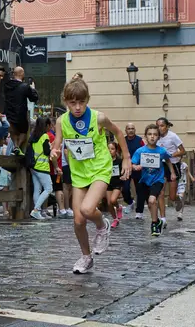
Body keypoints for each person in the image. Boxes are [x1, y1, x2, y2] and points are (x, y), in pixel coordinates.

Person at [49, 78, 132, 274]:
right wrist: (55, 155)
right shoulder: (62, 121)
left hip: (100, 169)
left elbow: (118, 133)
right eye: (72, 103)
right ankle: (86, 257)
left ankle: (102, 225)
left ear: (87, 100)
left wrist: (126, 158)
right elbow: (57, 145)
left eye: (81, 102)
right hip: (79, 173)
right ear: (65, 101)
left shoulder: (98, 118)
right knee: (78, 221)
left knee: (87, 209)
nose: (77, 107)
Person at [131, 124, 175, 237]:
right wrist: (136, 167)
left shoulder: (161, 151)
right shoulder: (140, 151)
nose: (152, 137)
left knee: (152, 200)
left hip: (158, 180)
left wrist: (172, 172)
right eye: (150, 134)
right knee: (151, 204)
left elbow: (168, 160)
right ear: (145, 136)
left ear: (158, 137)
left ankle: (154, 224)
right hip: (144, 181)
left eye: (155, 134)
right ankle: (158, 220)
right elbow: (133, 164)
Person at [156, 117, 186, 229]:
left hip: (173, 165)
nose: (160, 128)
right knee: (161, 193)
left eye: (162, 126)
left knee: (172, 197)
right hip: (161, 166)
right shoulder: (156, 137)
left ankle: (178, 200)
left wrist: (171, 155)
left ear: (167, 126)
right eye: (158, 126)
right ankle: (163, 218)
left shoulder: (173, 136)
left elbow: (183, 151)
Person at [4, 66, 39, 152]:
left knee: (13, 131)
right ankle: (18, 146)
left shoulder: (7, 85)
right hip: (21, 114)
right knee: (23, 131)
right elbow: (33, 98)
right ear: (21, 74)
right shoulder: (25, 86)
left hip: (9, 113)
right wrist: (32, 89)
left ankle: (15, 144)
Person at [123, 122, 144, 214]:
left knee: (140, 190)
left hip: (138, 168)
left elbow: (145, 153)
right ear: (126, 130)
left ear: (135, 130)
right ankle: (130, 202)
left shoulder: (140, 140)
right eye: (129, 129)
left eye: (132, 129)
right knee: (125, 188)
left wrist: (141, 165)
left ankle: (139, 212)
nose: (131, 130)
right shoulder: (123, 141)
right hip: (127, 168)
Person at [106, 142, 127, 228]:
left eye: (112, 149)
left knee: (113, 200)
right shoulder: (104, 162)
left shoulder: (120, 161)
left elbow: (124, 171)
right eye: (108, 149)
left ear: (116, 150)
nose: (110, 151)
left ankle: (119, 207)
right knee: (109, 203)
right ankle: (115, 219)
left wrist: (124, 176)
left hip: (117, 183)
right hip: (108, 183)